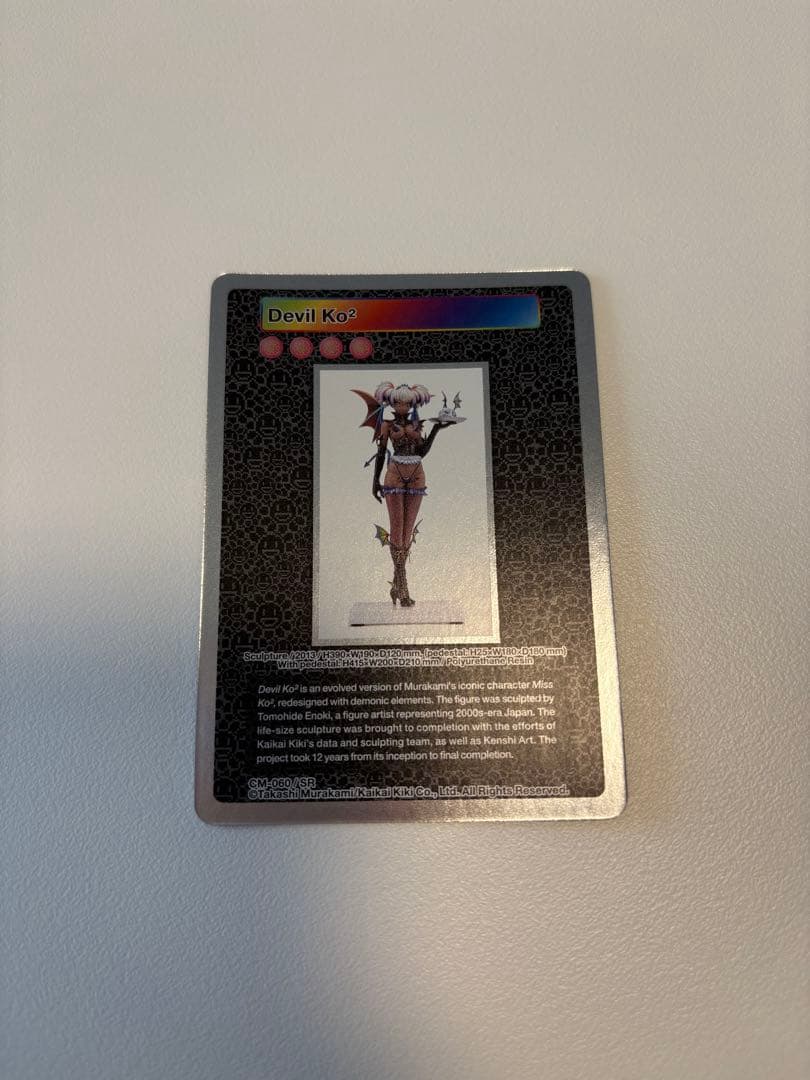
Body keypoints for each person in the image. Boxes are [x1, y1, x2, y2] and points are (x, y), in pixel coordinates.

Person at [352, 381, 451, 606]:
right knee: (397, 530)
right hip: (394, 474)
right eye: (398, 402)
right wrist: (375, 481)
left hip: (417, 475)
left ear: (413, 403)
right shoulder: (387, 425)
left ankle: (396, 587)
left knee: (407, 532)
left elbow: (422, 452)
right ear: (391, 402)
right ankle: (403, 587)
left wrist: (436, 430)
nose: (402, 406)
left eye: (406, 402)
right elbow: (380, 453)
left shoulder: (417, 424)